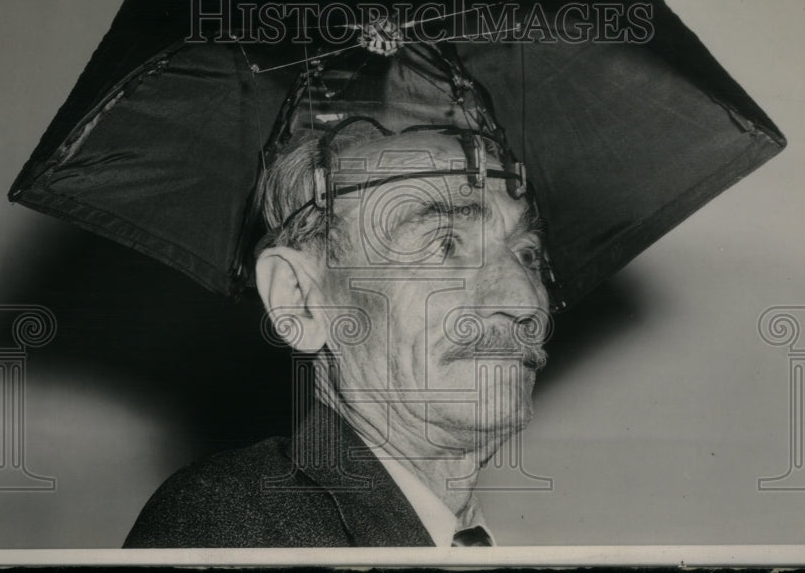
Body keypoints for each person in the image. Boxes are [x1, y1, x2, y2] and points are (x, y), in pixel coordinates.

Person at [125, 43, 553, 548]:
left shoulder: (452, 536)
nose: (525, 301)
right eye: (444, 243)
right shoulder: (232, 525)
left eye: (526, 253)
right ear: (300, 300)